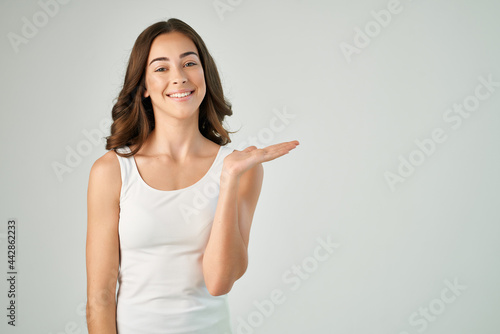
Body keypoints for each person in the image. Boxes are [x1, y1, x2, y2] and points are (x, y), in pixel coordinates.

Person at [85, 18, 299, 334]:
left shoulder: (241, 169)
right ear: (143, 87)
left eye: (189, 63)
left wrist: (228, 180)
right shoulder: (111, 171)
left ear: (205, 74)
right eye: (161, 68)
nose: (179, 78)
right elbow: (99, 299)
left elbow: (219, 281)